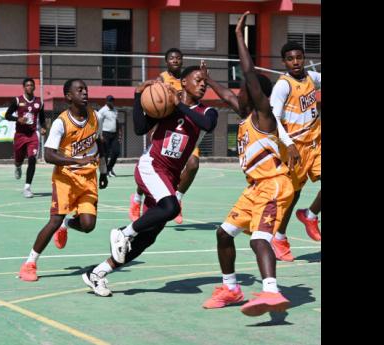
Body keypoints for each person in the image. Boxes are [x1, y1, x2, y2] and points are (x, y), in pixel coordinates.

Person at [81, 66, 218, 297]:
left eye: (205, 81)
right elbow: (139, 128)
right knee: (171, 207)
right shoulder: (165, 104)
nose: (203, 84)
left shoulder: (207, 111)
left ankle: (97, 273)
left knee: (147, 238)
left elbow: (208, 126)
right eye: (198, 80)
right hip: (152, 166)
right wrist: (137, 96)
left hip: (170, 176)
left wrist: (179, 105)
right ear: (183, 82)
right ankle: (124, 232)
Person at [202, 11, 293, 316]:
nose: (237, 95)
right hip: (254, 188)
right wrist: (209, 78)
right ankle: (231, 288)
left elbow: (250, 76)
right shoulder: (244, 118)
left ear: (256, 97)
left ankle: (271, 291)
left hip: (275, 185)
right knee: (224, 233)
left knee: (258, 239)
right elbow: (226, 94)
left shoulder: (264, 117)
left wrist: (239, 38)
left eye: (244, 92)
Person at [18, 78, 108, 282]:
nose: (85, 93)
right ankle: (30, 263)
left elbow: (99, 143)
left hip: (89, 178)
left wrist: (103, 171)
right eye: (79, 90)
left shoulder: (95, 117)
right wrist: (76, 160)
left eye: (86, 89)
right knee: (54, 219)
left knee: (88, 225)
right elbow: (49, 155)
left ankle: (67, 224)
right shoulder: (61, 122)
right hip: (66, 178)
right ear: (69, 96)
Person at [129, 47, 201, 225]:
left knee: (193, 164)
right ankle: (137, 199)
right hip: (166, 128)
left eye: (178, 58)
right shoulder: (161, 79)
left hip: (186, 130)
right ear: (166, 61)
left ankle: (178, 198)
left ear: (182, 61)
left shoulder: (189, 80)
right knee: (154, 166)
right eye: (171, 58)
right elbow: (155, 100)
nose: (175, 60)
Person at [270, 41, 322, 262]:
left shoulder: (312, 77)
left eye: (299, 57)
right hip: (294, 148)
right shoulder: (283, 85)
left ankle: (310, 215)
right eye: (290, 59)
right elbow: (274, 118)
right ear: (284, 62)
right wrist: (288, 144)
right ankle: (279, 237)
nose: (296, 62)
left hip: (316, 142)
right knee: (293, 195)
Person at [5, 78, 47, 198]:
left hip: (33, 135)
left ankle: (27, 187)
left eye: (31, 85)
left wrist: (43, 127)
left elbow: (42, 118)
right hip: (20, 135)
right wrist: (18, 119)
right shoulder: (17, 100)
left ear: (34, 87)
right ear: (24, 87)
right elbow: (7, 115)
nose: (29, 87)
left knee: (32, 158)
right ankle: (18, 166)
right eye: (27, 85)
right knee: (19, 159)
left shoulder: (39, 102)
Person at [97, 95, 121, 177]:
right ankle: (105, 171)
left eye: (112, 100)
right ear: (106, 101)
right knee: (106, 154)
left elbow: (117, 122)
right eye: (109, 100)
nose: (111, 102)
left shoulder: (115, 110)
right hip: (105, 134)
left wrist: (119, 134)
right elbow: (98, 123)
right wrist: (100, 135)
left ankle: (109, 168)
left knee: (116, 152)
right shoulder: (102, 111)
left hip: (114, 135)